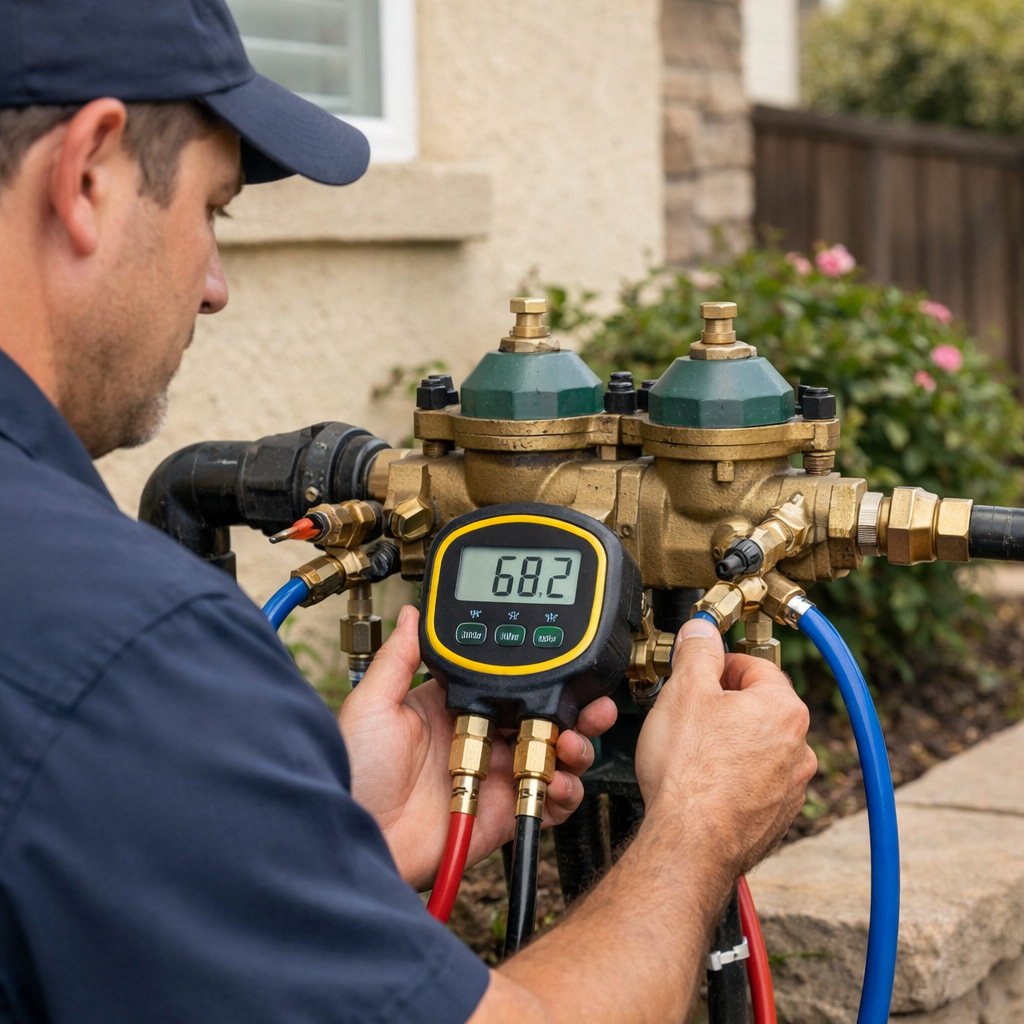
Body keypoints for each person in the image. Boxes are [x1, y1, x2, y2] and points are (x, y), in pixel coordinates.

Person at [0, 1, 817, 1022]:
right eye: (212, 210)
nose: (213, 287)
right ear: (87, 174)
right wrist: (697, 827)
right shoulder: (125, 651)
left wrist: (319, 842)